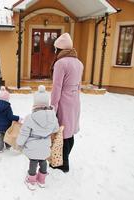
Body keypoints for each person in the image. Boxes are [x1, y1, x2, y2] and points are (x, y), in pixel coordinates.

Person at [50, 33, 84, 172]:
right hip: (75, 100)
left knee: (62, 133)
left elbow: (57, 87)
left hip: (64, 101)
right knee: (70, 132)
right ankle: (64, 160)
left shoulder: (60, 63)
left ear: (59, 48)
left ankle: (63, 163)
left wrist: (53, 107)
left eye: (55, 49)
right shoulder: (79, 63)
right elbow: (79, 85)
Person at [16, 85, 59, 190]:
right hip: (45, 145)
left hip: (33, 146)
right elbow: (55, 129)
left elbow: (24, 133)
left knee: (33, 162)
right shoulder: (53, 116)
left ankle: (31, 181)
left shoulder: (30, 118)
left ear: (35, 104)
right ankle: (42, 180)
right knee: (43, 161)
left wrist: (19, 143)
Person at [0, 86, 20, 153]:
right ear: (7, 98)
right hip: (7, 125)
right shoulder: (7, 106)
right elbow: (10, 116)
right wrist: (17, 118)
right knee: (7, 135)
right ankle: (8, 146)